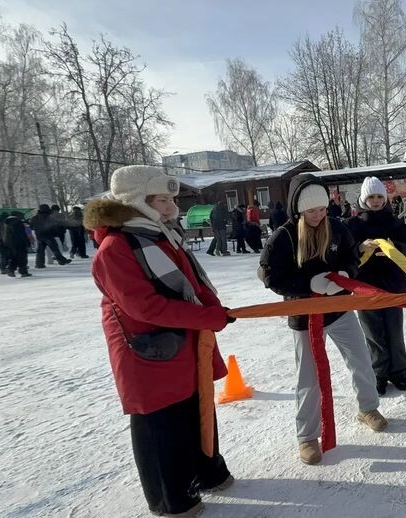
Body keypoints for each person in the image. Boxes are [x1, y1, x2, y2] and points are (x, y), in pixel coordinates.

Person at [86, 165, 235, 517]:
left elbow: (192, 285)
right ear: (139, 202)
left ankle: (206, 472)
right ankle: (172, 500)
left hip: (182, 341)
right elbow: (144, 306)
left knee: (195, 407)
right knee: (161, 424)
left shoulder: (161, 236)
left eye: (171, 199)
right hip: (147, 350)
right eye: (163, 200)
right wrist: (205, 317)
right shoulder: (115, 248)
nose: (172, 207)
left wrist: (212, 308)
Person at [259, 174, 387, 466]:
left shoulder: (338, 228)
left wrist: (343, 277)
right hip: (304, 316)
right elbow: (270, 275)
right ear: (298, 211)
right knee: (308, 377)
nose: (318, 215)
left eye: (321, 209)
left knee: (361, 360)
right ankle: (306, 436)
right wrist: (308, 286)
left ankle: (368, 408)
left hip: (339, 309)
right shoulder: (284, 237)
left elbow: (353, 258)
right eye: (311, 211)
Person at [347, 177, 406, 395]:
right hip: (365, 287)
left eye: (379, 196)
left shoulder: (396, 223)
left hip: (393, 286)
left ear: (385, 199)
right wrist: (360, 247)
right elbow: (345, 254)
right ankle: (379, 374)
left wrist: (394, 247)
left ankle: (399, 373)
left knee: (394, 331)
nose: (376, 201)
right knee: (373, 333)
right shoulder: (353, 225)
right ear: (363, 199)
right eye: (371, 197)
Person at [30, 204, 70, 268]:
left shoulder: (35, 217)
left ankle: (39, 264)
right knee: (55, 249)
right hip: (49, 235)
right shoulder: (50, 217)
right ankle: (61, 260)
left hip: (39, 236)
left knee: (40, 251)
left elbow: (31, 226)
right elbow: (55, 226)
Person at [2, 211, 31, 277]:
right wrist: (27, 242)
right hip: (19, 242)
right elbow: (21, 233)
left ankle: (11, 269)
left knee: (15, 257)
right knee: (22, 257)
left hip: (9, 243)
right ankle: (23, 271)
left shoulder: (6, 222)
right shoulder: (17, 222)